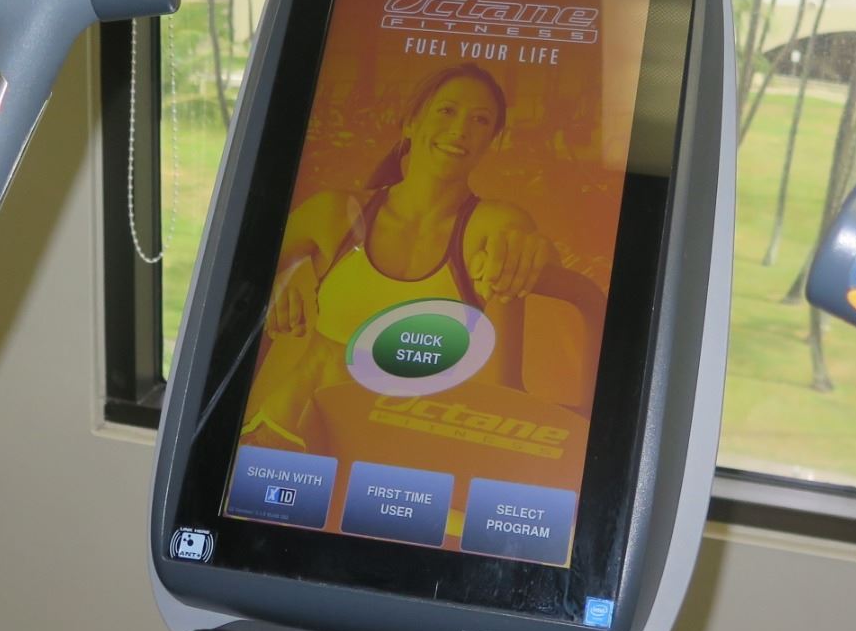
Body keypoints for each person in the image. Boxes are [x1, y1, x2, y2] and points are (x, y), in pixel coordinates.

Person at [241, 63, 606, 451]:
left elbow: (533, 257)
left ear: (491, 141)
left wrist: (534, 254)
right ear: (411, 122)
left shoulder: (492, 224)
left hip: (400, 452)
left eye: (480, 120)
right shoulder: (335, 213)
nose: (460, 129)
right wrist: (284, 276)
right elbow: (242, 270)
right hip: (290, 428)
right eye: (446, 111)